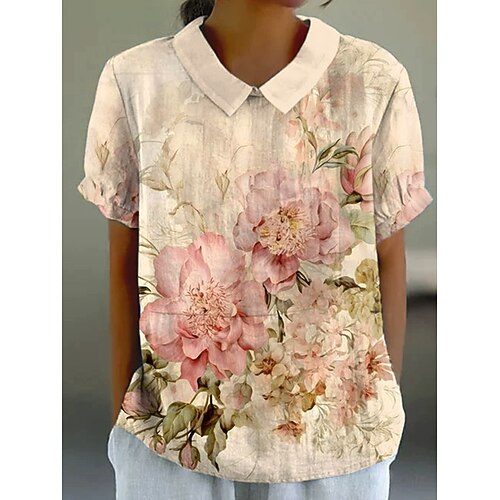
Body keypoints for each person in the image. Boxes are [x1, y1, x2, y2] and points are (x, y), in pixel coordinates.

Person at [76, 0, 434, 498]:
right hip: (172, 450)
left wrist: (376, 418)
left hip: (337, 451)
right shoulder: (137, 81)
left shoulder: (372, 81)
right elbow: (124, 264)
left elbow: (386, 260)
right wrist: (130, 427)